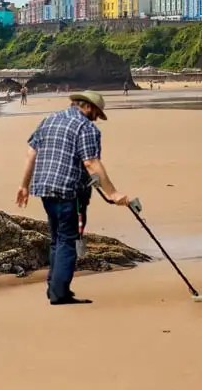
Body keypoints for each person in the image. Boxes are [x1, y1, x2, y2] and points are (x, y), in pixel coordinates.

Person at [15, 91, 133, 306]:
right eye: (96, 113)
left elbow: (31, 153)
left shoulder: (49, 119)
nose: (96, 118)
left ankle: (54, 288)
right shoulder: (85, 127)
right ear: (88, 107)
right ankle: (59, 294)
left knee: (57, 239)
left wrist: (24, 185)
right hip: (69, 191)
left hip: (44, 188)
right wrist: (113, 193)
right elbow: (91, 163)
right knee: (68, 240)